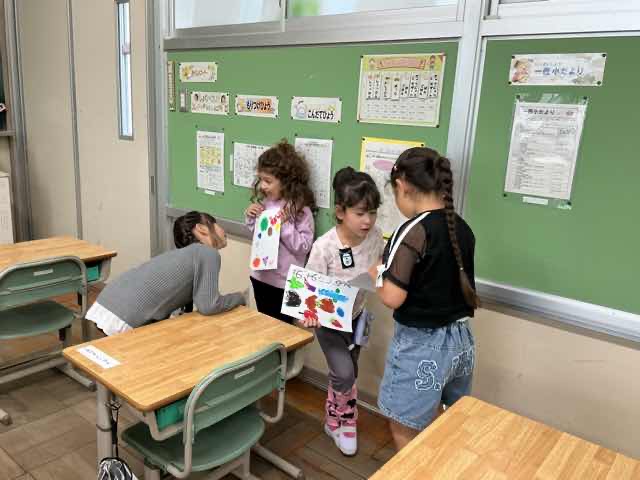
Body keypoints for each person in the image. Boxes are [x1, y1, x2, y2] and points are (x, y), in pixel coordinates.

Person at [370, 147, 479, 450]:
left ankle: (416, 470)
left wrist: (376, 274)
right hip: (461, 342)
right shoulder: (462, 228)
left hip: (422, 346)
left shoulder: (413, 230)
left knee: (404, 426)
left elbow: (393, 297)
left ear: (402, 185)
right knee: (444, 419)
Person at [304, 167, 384, 456]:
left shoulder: (375, 236)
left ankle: (332, 419)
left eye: (372, 213)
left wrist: (379, 274)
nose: (368, 220)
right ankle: (347, 422)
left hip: (357, 317)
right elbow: (308, 292)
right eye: (360, 213)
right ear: (340, 211)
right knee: (345, 373)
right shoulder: (324, 247)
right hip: (329, 323)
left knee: (348, 372)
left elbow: (380, 265)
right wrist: (308, 314)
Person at [86, 211, 245, 336]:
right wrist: (240, 297)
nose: (223, 230)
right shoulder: (208, 253)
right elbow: (209, 305)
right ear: (202, 228)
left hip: (106, 302)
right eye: (216, 224)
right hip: (123, 316)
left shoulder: (185, 255)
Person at [245, 139, 316, 323]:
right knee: (266, 328)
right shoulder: (265, 203)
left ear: (286, 182)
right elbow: (260, 237)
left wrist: (283, 225)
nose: (262, 186)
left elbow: (304, 247)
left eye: (268, 181)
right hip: (260, 278)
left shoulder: (300, 211)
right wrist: (252, 218)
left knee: (285, 331)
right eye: (261, 179)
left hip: (286, 284)